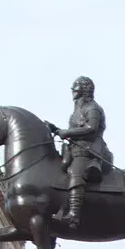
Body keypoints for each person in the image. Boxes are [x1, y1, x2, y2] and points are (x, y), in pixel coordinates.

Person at [47, 75, 112, 229]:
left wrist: (65, 132)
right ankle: (61, 208)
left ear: (84, 90)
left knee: (76, 174)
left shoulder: (93, 109)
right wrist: (56, 130)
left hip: (88, 150)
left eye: (75, 87)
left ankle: (74, 215)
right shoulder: (76, 111)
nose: (72, 90)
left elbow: (91, 129)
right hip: (74, 149)